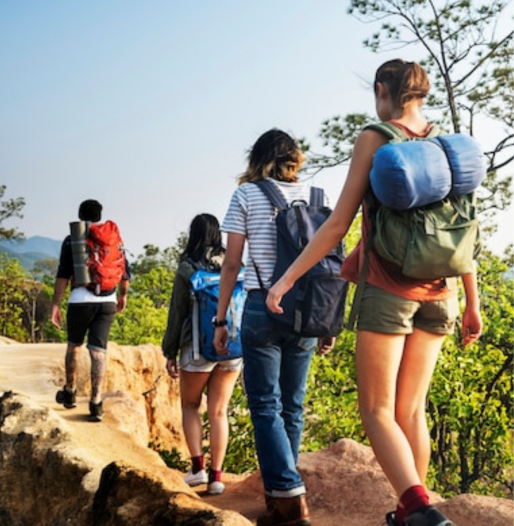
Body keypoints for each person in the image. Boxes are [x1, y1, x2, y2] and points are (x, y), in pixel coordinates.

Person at [266, 60, 482, 526]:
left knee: (377, 410)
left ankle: (421, 512)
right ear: (422, 95)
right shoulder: (445, 146)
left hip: (389, 291)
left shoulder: (376, 137)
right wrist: (473, 301)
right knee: (412, 410)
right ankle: (410, 512)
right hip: (443, 294)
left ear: (382, 89)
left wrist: (286, 279)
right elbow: (465, 231)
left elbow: (338, 223)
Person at [213, 129, 334, 526]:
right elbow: (330, 261)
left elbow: (231, 263)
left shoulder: (246, 195)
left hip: (263, 307)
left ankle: (288, 495)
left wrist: (220, 319)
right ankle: (281, 491)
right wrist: (327, 320)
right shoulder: (319, 196)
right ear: (294, 158)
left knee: (265, 405)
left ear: (257, 158)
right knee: (292, 405)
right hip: (308, 310)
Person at [162, 213, 242, 496]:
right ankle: (217, 478)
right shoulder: (234, 262)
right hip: (232, 348)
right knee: (219, 411)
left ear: (193, 234)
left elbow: (177, 313)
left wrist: (169, 351)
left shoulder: (188, 266)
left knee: (190, 406)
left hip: (197, 348)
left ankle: (197, 468)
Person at [51, 199, 130, 422]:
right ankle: (96, 403)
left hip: (79, 300)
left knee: (74, 346)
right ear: (100, 215)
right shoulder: (115, 239)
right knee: (98, 351)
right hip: (107, 301)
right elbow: (125, 272)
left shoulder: (73, 239)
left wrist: (56, 303)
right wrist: (122, 296)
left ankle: (70, 392)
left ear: (80, 215)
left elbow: (63, 274)